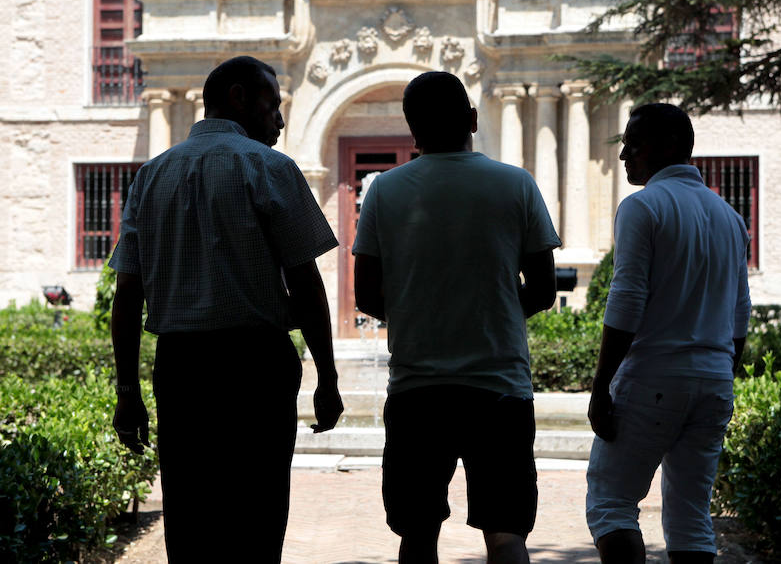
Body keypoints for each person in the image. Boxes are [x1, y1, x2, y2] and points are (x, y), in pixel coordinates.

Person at [109, 55, 344, 563]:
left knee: (190, 521)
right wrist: (327, 377)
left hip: (180, 370)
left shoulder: (151, 175)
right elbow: (306, 284)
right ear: (238, 97)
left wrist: (128, 392)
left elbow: (128, 293)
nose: (280, 121)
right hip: (255, 368)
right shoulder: (270, 168)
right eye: (273, 105)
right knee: (257, 520)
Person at [353, 71, 561, 564]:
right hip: (500, 388)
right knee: (507, 533)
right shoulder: (516, 184)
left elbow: (364, 295)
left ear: (412, 130)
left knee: (418, 533)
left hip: (417, 392)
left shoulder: (383, 191)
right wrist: (499, 313)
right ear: (471, 118)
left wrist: (412, 312)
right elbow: (547, 290)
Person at [585, 103, 751, 564]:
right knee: (691, 514)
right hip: (714, 380)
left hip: (653, 378)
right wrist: (721, 371)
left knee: (611, 503)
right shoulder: (729, 217)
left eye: (633, 143)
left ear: (669, 147)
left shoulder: (642, 207)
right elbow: (741, 312)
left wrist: (601, 388)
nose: (624, 155)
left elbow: (626, 300)